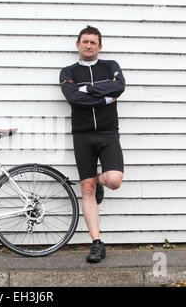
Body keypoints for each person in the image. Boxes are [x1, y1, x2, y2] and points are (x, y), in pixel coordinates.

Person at [59, 26, 125, 263]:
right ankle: (96, 243)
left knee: (114, 180)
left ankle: (99, 180)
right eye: (85, 41)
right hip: (83, 135)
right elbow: (73, 97)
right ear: (77, 44)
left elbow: (119, 87)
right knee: (86, 188)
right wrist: (104, 97)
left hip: (108, 134)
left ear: (100, 46)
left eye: (93, 42)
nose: (89, 45)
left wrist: (87, 89)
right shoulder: (68, 71)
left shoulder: (111, 66)